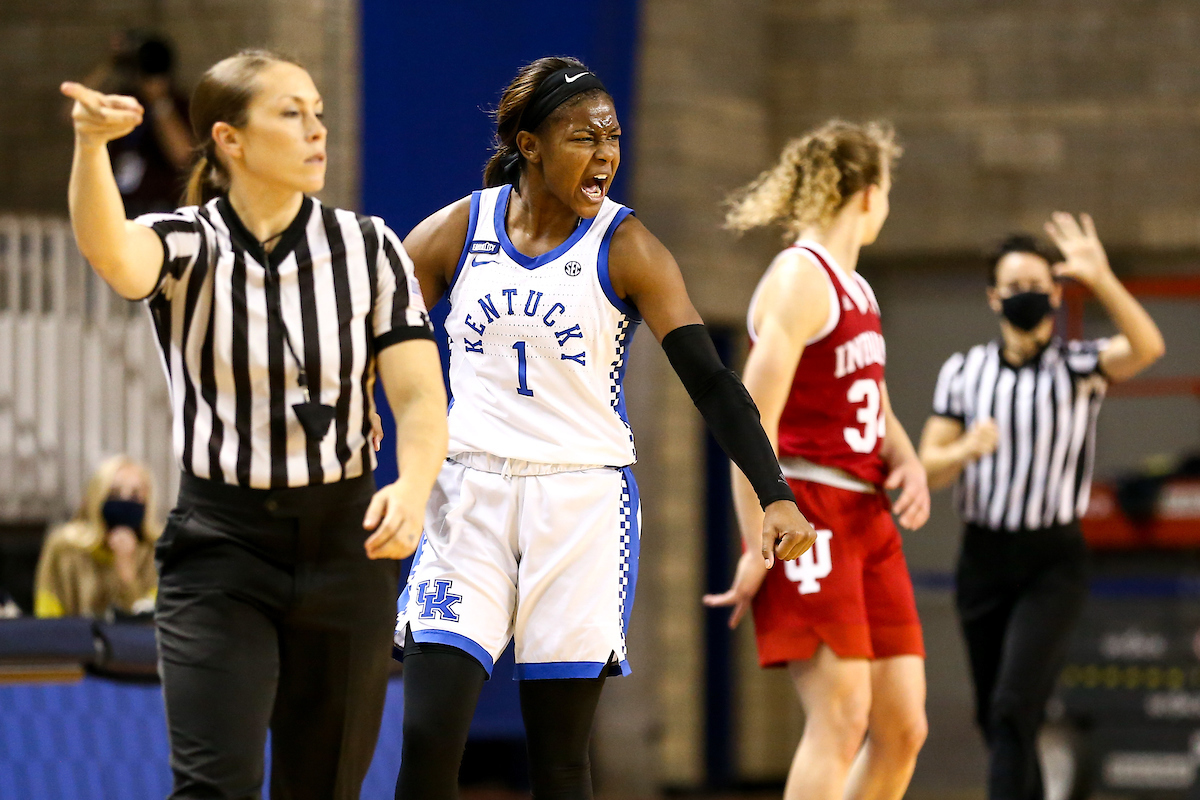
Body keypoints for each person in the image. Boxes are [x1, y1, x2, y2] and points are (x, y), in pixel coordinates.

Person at [393, 56, 817, 800]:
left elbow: (712, 381)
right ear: (529, 146)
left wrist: (774, 489)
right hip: (469, 497)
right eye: (584, 137)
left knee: (559, 758)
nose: (606, 154)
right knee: (429, 735)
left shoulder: (627, 247)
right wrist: (363, 401)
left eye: (613, 137)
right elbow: (374, 320)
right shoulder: (462, 228)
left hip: (579, 505)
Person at [60, 49, 449, 799]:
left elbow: (419, 397)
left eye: (318, 114)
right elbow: (109, 250)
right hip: (221, 548)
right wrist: (91, 145)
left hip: (346, 545)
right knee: (215, 786)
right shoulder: (186, 242)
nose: (316, 131)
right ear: (229, 140)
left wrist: (412, 486)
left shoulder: (370, 248)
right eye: (291, 114)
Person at [705, 120, 930, 800]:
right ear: (867, 195)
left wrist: (907, 459)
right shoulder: (799, 279)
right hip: (809, 508)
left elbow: (871, 398)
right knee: (841, 717)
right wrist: (754, 537)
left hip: (868, 513)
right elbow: (749, 420)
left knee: (902, 728)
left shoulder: (857, 288)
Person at [917, 218, 1165, 800]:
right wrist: (963, 449)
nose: (1025, 294)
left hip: (1051, 561)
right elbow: (926, 468)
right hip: (982, 558)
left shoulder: (1077, 365)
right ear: (993, 297)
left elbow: (1148, 348)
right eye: (1013, 285)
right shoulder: (964, 372)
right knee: (997, 719)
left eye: (1036, 284)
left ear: (1055, 293)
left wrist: (1101, 279)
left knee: (1013, 706)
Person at [83, 31, 193, 217]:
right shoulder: (125, 100)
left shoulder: (179, 104)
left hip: (161, 208)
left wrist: (159, 101)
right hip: (119, 205)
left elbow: (182, 156)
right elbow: (73, 112)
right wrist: (110, 65)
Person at [35, 455, 159, 618]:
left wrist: (127, 575)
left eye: (135, 495)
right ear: (97, 496)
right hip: (73, 634)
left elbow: (152, 622)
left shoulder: (156, 552)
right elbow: (47, 612)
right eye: (114, 493)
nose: (125, 501)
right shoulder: (64, 547)